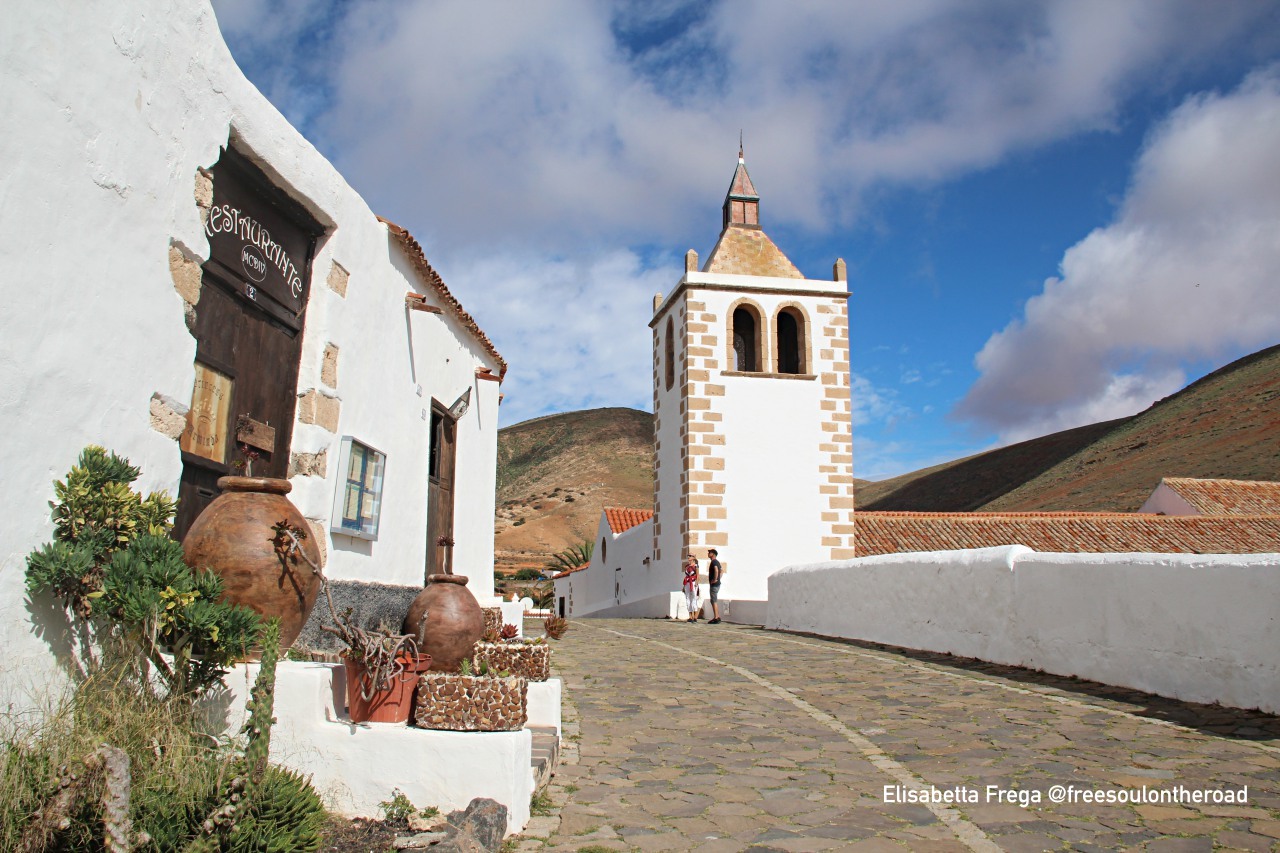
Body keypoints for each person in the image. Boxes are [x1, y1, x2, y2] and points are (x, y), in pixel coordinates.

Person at [682, 554, 700, 622]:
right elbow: (686, 576)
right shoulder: (686, 566)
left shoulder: (696, 566)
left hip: (693, 582)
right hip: (687, 583)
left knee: (694, 598)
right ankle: (690, 616)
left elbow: (698, 575)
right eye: (688, 556)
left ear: (693, 558)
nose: (688, 557)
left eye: (690, 556)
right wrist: (683, 586)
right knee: (688, 598)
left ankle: (695, 616)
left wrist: (696, 582)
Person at [706, 548, 723, 624]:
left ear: (713, 554)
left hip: (714, 584)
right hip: (717, 584)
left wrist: (715, 579)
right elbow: (722, 570)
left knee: (713, 600)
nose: (708, 554)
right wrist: (719, 578)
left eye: (709, 552)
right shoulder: (717, 562)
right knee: (713, 600)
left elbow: (716, 570)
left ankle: (716, 617)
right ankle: (717, 616)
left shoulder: (714, 562)